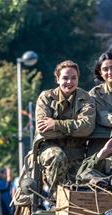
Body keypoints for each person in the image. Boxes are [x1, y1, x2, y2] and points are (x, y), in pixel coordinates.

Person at [34, 60, 95, 196]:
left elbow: (87, 128)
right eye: (65, 78)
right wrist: (74, 129)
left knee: (88, 178)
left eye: (74, 78)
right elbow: (43, 129)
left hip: (77, 152)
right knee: (57, 156)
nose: (69, 82)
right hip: (50, 149)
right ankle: (56, 200)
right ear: (57, 79)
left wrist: (56, 124)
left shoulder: (86, 98)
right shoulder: (46, 98)